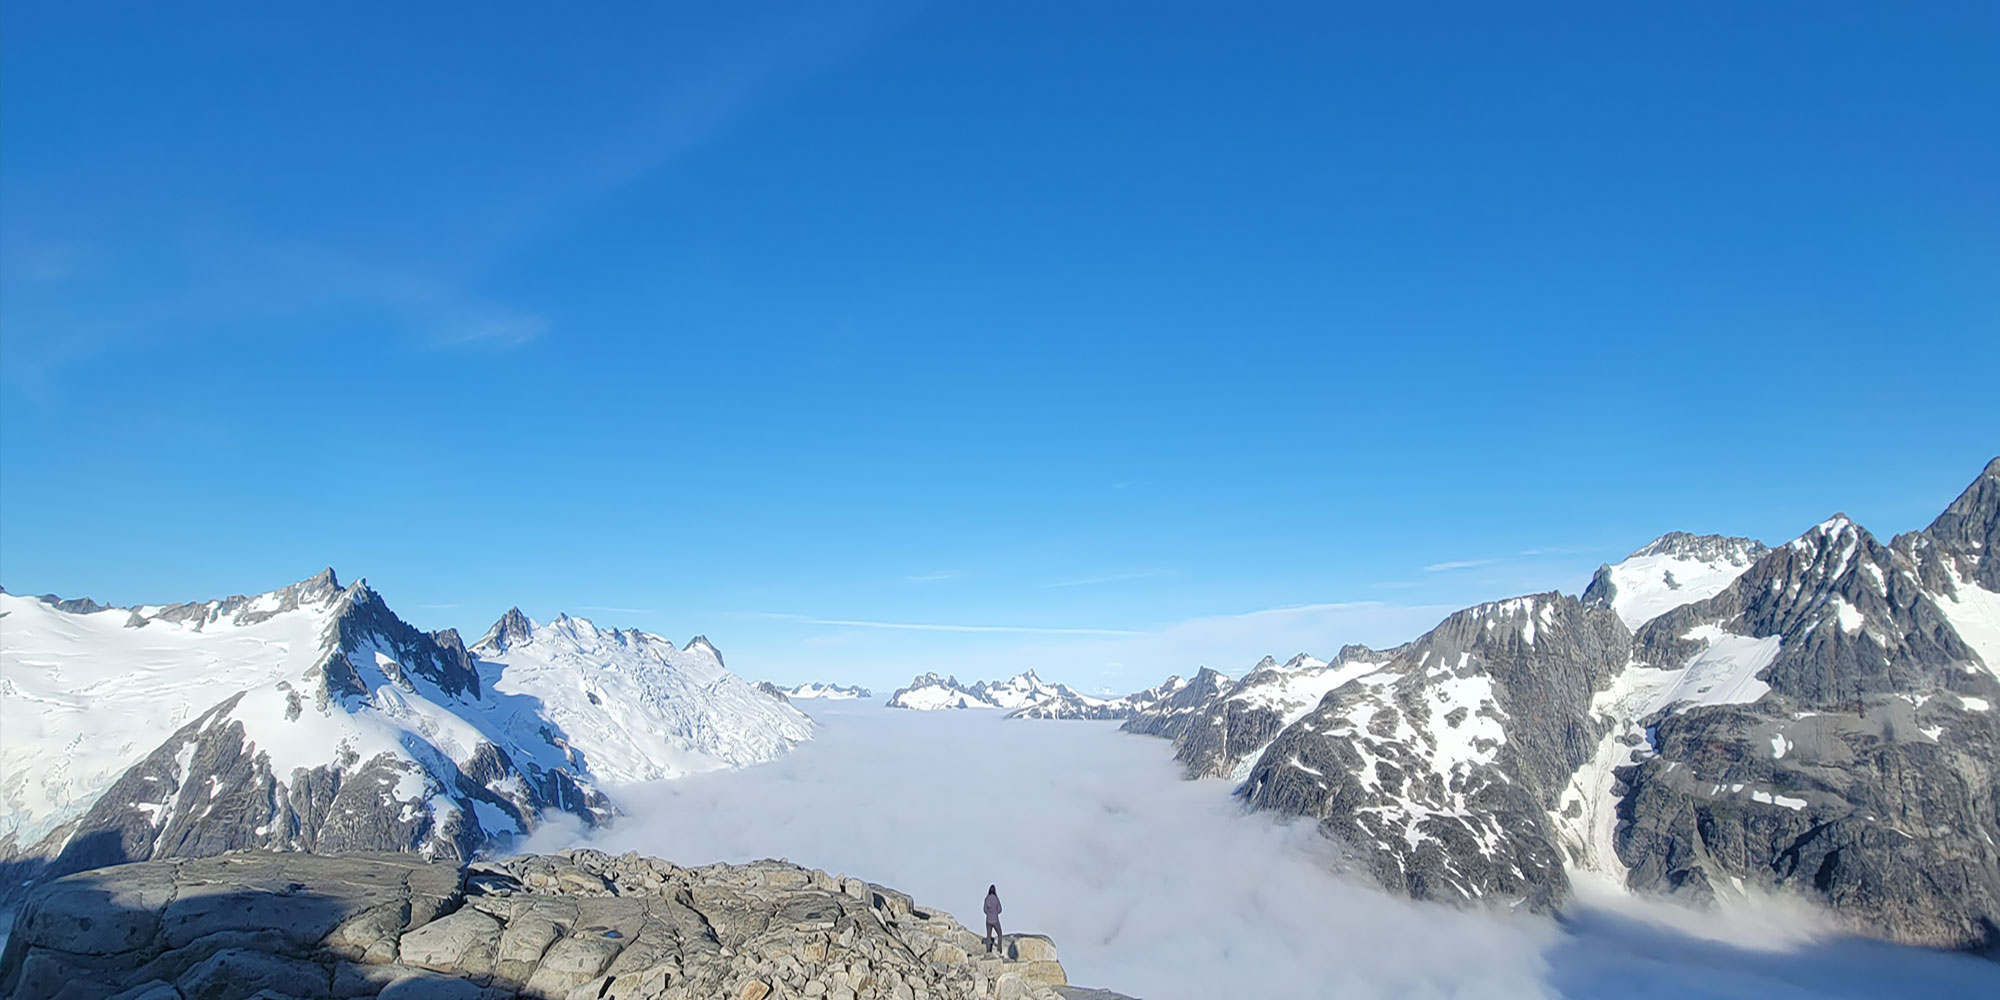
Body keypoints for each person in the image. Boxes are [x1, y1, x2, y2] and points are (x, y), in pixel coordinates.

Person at [983, 884, 1003, 954]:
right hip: (995, 920)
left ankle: (988, 950)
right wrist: (995, 912)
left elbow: (984, 910)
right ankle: (999, 949)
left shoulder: (986, 899)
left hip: (988, 920)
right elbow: (1000, 909)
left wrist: (989, 913)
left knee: (988, 936)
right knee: (1000, 934)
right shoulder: (996, 899)